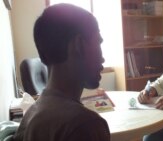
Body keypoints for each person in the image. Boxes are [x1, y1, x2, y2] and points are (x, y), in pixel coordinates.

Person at [13, 3, 110, 141]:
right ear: (79, 45)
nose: (102, 57)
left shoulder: (31, 114)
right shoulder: (85, 125)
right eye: (98, 42)